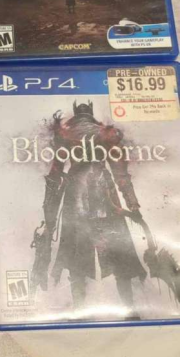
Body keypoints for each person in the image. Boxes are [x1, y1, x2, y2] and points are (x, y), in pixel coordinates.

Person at [31, 101, 147, 318]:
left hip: (76, 197)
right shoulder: (106, 133)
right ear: (91, 113)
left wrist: (49, 217)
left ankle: (79, 312)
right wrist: (133, 204)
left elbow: (54, 177)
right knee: (119, 256)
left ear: (76, 114)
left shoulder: (65, 134)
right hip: (105, 196)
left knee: (76, 259)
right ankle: (130, 311)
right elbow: (121, 174)